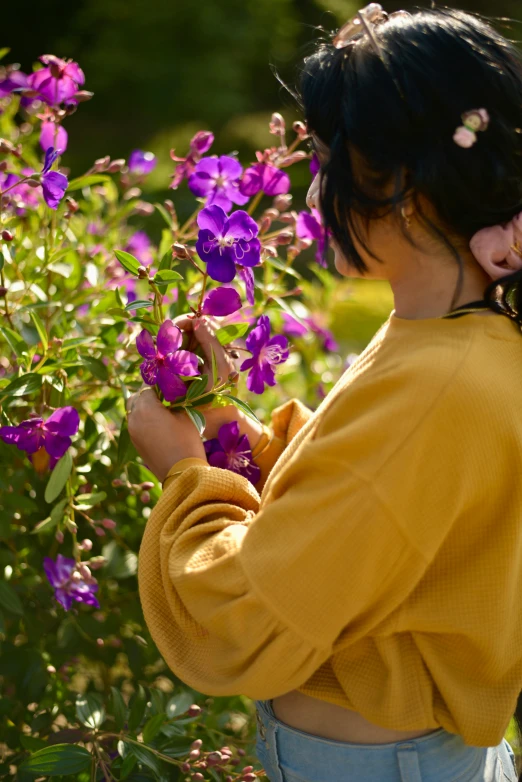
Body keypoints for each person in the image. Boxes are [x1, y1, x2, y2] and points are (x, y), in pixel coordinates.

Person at [127, 5, 522, 780]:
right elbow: (367, 516)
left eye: (325, 159)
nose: (314, 193)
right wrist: (229, 432)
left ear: (402, 182)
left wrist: (187, 475)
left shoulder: (436, 384)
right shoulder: (458, 340)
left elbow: (245, 619)